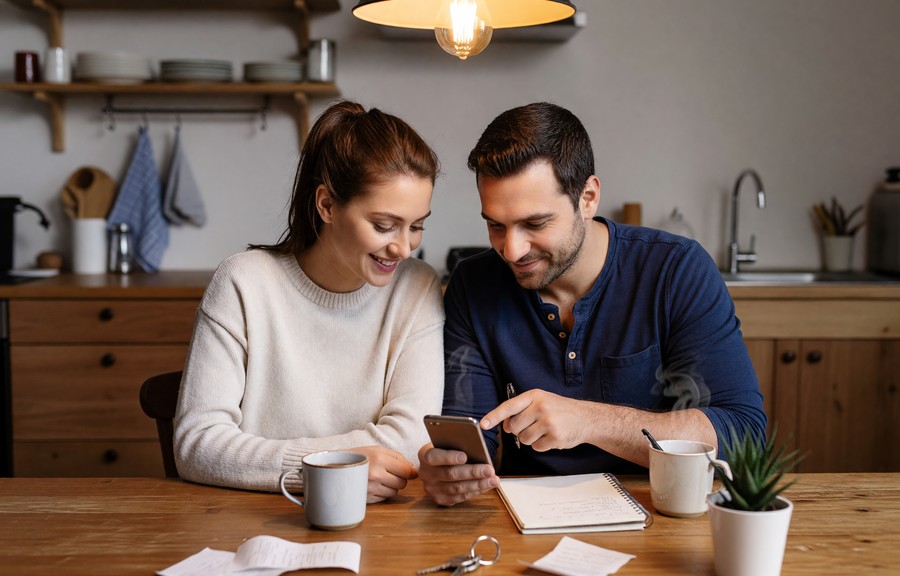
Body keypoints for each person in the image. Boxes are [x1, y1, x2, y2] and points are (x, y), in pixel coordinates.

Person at [419, 102, 766, 506]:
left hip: (663, 513)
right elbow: (474, 433)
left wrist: (589, 421)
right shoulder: (473, 284)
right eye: (496, 224)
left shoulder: (676, 271)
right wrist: (449, 469)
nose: (511, 250)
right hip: (530, 522)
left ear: (587, 197)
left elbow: (744, 435)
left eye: (535, 224)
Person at [174, 100, 445, 503]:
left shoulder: (417, 287)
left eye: (417, 226)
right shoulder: (243, 282)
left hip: (377, 528)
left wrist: (263, 457)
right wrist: (331, 467)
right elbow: (197, 445)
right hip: (245, 519)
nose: (404, 248)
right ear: (327, 205)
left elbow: (410, 440)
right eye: (384, 226)